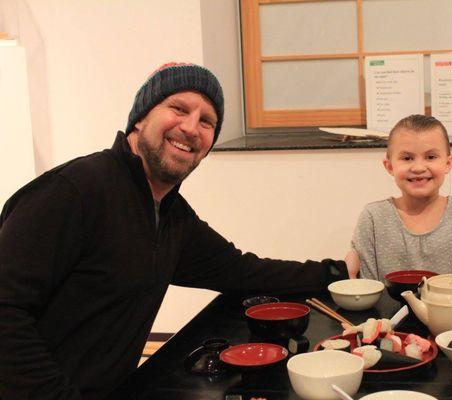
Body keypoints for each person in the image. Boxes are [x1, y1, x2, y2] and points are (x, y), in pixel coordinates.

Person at [0, 63, 355, 400]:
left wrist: (334, 272)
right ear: (140, 118)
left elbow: (242, 271)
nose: (190, 127)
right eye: (178, 108)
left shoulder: (170, 215)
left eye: (207, 121)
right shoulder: (74, 192)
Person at [344, 114, 452, 282]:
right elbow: (367, 288)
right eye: (407, 158)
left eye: (431, 157)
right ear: (390, 166)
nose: (419, 167)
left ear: (448, 163)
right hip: (387, 309)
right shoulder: (373, 217)